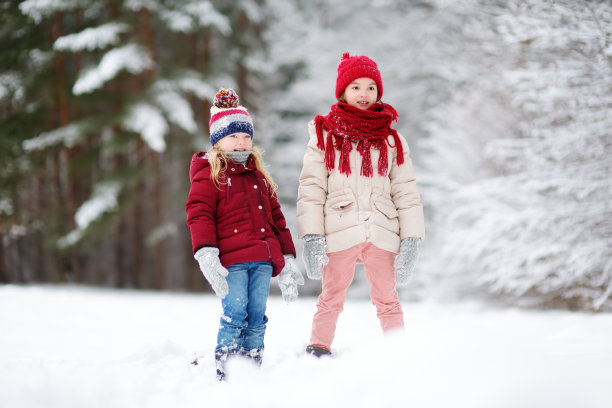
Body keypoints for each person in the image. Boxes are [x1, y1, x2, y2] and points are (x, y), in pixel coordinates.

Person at [297, 53, 425, 357]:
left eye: (370, 87)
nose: (364, 94)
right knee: (331, 296)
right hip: (340, 228)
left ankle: (398, 351)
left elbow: (406, 192)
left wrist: (411, 239)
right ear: (342, 92)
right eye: (355, 87)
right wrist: (312, 235)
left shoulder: (392, 140)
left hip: (382, 229)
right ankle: (318, 348)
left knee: (388, 298)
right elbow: (311, 188)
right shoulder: (324, 135)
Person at [186, 88, 303, 380]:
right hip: (232, 262)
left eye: (246, 136)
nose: (241, 141)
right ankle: (227, 369)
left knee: (257, 317)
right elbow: (199, 213)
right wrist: (206, 252)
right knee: (235, 314)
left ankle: (250, 369)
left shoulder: (258, 177)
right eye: (233, 136)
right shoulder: (210, 174)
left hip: (263, 260)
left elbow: (277, 220)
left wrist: (288, 258)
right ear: (217, 141)